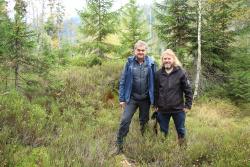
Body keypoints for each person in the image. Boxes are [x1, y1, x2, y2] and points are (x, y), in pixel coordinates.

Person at [115, 40, 157, 154]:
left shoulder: (152, 63)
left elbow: (156, 82)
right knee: (125, 120)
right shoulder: (129, 63)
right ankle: (119, 146)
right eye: (138, 50)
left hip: (145, 99)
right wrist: (122, 99)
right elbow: (123, 81)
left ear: (146, 51)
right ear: (135, 51)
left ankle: (144, 144)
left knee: (144, 122)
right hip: (132, 98)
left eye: (143, 50)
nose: (140, 52)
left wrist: (156, 101)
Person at [154, 49, 193, 146]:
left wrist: (188, 105)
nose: (167, 60)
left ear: (173, 59)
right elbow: (156, 91)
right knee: (163, 131)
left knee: (181, 130)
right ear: (162, 60)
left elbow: (187, 90)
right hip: (163, 109)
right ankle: (164, 149)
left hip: (178, 109)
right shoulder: (158, 74)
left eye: (169, 58)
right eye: (165, 58)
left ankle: (183, 150)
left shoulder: (181, 73)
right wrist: (155, 104)